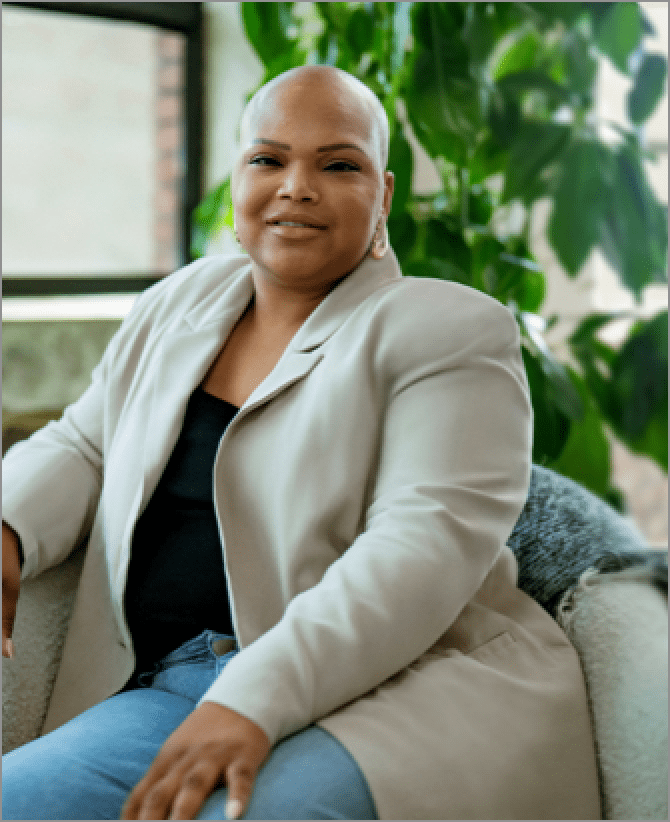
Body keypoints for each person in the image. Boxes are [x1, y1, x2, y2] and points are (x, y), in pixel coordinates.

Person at [2, 66, 601, 820]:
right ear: (236, 181)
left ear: (382, 197)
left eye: (338, 164)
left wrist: (252, 701)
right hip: (176, 688)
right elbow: (86, 445)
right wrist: (9, 526)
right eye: (268, 159)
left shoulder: (449, 329)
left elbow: (418, 550)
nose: (296, 186)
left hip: (394, 692)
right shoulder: (175, 304)